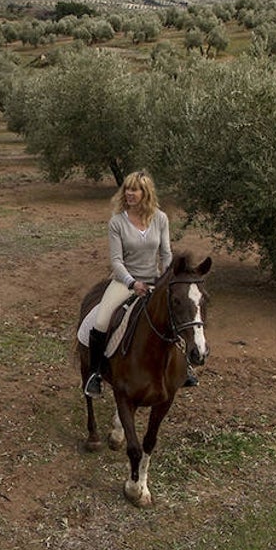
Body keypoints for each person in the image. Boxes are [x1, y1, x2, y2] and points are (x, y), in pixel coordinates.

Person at [83, 170, 195, 397]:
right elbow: (116, 260)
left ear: (146, 193)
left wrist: (168, 280)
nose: (130, 193)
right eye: (127, 189)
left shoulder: (160, 218)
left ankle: (186, 368)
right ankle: (95, 373)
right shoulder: (117, 222)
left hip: (154, 281)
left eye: (135, 189)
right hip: (124, 282)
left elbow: (165, 253)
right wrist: (132, 283)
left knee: (177, 316)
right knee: (102, 321)